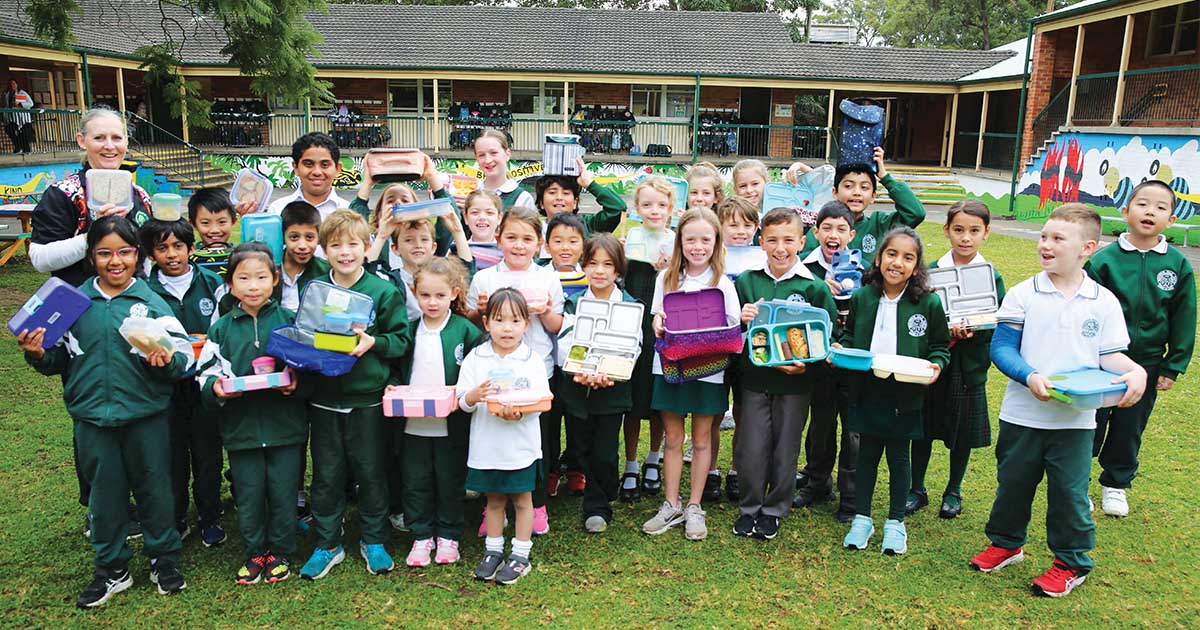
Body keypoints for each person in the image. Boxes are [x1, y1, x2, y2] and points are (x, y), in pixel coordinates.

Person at [970, 203, 1146, 598]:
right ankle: (1006, 543)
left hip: (1075, 420)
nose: (1045, 245)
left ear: (1088, 248)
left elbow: (1110, 357)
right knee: (1012, 484)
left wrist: (1136, 371)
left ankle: (1071, 561)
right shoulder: (1022, 294)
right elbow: (1002, 347)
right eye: (1044, 237)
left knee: (1068, 493)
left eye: (1057, 239)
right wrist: (1030, 375)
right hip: (1021, 413)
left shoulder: (1102, 302)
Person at [17, 216, 190, 608]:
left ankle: (164, 561)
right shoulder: (73, 304)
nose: (116, 261)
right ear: (91, 257)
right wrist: (38, 353)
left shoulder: (151, 304)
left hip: (146, 416)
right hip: (93, 417)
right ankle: (112, 568)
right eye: (105, 253)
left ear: (138, 256)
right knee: (104, 498)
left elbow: (181, 363)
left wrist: (164, 362)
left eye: (125, 253)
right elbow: (57, 360)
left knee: (156, 491)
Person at [298, 210, 411, 580]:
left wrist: (372, 343)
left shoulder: (382, 291)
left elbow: (401, 340)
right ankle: (326, 543)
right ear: (323, 250)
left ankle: (374, 539)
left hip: (368, 399)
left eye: (352, 244)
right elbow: (302, 334)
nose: (345, 252)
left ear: (366, 247)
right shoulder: (314, 290)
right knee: (327, 475)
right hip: (325, 399)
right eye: (335, 245)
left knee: (372, 471)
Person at [1084, 180, 1196, 518]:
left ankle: (1115, 484)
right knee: (1090, 421)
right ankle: (1076, 481)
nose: (1150, 212)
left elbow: (1184, 316)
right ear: (1125, 212)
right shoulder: (1104, 261)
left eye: (1161, 207)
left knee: (1130, 425)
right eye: (1143, 204)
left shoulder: (1177, 265)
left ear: (1172, 220)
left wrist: (1173, 365)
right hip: (1101, 362)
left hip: (1146, 363)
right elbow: (1084, 311)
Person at [197, 242, 306, 585]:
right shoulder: (222, 329)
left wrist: (294, 382)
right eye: (243, 278)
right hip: (241, 429)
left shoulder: (289, 321)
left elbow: (306, 366)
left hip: (285, 427)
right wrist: (215, 386)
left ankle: (281, 550)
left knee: (284, 490)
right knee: (248, 492)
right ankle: (254, 551)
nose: (253, 285)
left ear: (275, 279)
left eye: (261, 277)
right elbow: (207, 370)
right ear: (230, 283)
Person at [838, 227, 949, 556]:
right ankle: (862, 519)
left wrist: (936, 365)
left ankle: (895, 523)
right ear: (879, 257)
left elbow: (940, 347)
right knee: (867, 456)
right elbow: (849, 340)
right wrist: (840, 351)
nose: (897, 262)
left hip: (906, 392)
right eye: (891, 254)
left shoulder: (927, 303)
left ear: (916, 267)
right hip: (867, 389)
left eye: (907, 257)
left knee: (900, 459)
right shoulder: (862, 297)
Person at [732, 208, 838, 540]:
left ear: (802, 242)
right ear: (760, 241)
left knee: (785, 448)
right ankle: (750, 507)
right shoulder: (748, 280)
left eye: (789, 240)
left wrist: (809, 363)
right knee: (751, 446)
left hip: (795, 383)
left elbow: (828, 335)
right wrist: (742, 317)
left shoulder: (814, 287)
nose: (780, 248)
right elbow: (731, 332)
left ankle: (775, 509)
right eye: (773, 240)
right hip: (754, 380)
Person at [641, 209, 741, 541]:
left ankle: (695, 506)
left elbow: (733, 328)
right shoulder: (665, 278)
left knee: (701, 440)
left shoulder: (723, 283)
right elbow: (658, 318)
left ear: (716, 243)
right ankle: (670, 503)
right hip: (671, 367)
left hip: (708, 372)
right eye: (690, 239)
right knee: (673, 439)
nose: (697, 247)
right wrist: (658, 324)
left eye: (705, 240)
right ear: (679, 241)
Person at [466, 207, 564, 536]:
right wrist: (478, 311)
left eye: (527, 239)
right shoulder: (485, 278)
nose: (519, 245)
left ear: (539, 244)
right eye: (511, 237)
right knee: (494, 435)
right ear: (498, 240)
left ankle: (535, 505)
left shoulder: (547, 276)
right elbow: (475, 321)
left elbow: (556, 326)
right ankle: (493, 507)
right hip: (494, 370)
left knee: (537, 441)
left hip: (537, 369)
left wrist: (547, 310)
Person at [908, 199, 1005, 519]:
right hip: (934, 363)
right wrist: (942, 330)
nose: (966, 238)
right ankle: (916, 488)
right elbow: (918, 316)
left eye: (974, 231)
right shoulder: (930, 272)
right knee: (922, 428)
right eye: (959, 230)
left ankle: (954, 490)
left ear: (986, 233)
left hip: (969, 367)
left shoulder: (993, 276)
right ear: (947, 230)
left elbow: (997, 322)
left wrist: (974, 332)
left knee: (961, 432)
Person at [141, 217, 228, 547]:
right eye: (162, 248)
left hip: (203, 384)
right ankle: (177, 516)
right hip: (164, 388)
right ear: (152, 254)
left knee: (208, 454)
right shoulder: (147, 290)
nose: (172, 254)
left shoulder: (211, 282)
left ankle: (210, 515)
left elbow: (221, 328)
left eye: (178, 246)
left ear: (192, 248)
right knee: (171, 456)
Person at [392, 258, 483, 568]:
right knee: (415, 480)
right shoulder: (408, 330)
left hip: (450, 425)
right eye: (425, 295)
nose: (432, 302)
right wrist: (392, 387)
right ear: (415, 293)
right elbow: (394, 368)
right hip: (413, 424)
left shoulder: (465, 330)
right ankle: (420, 536)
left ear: (454, 294)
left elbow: (477, 369)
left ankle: (448, 535)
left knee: (449, 479)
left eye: (440, 296)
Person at [556, 234, 650, 532]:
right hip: (577, 388)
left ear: (619, 270)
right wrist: (578, 371)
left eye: (607, 265)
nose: (599, 271)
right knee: (581, 447)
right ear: (584, 266)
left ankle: (602, 499)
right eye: (593, 263)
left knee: (605, 452)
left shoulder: (630, 305)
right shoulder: (573, 302)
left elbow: (633, 346)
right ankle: (594, 497)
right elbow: (566, 342)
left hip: (613, 389)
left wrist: (611, 372)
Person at [459, 288, 550, 585]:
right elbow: (462, 400)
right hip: (488, 445)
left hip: (520, 446)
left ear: (526, 324)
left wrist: (521, 412)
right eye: (499, 320)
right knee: (494, 500)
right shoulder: (476, 357)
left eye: (515, 320)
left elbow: (541, 400)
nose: (507, 328)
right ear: (486, 324)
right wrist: (473, 395)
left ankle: (521, 555)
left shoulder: (532, 360)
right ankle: (493, 551)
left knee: (523, 500)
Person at [30, 106, 153, 287]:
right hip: (80, 305)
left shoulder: (140, 195)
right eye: (99, 138)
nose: (110, 146)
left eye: (117, 138)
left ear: (126, 142)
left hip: (134, 305)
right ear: (81, 140)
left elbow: (146, 258)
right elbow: (40, 260)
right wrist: (94, 235)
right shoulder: (63, 194)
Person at [796, 201, 861, 521]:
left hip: (851, 362)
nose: (833, 235)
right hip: (819, 360)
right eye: (827, 228)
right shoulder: (806, 269)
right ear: (816, 231)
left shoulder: (864, 269)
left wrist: (845, 345)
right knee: (820, 424)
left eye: (841, 229)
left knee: (853, 430)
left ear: (852, 233)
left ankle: (850, 497)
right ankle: (817, 482)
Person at [618, 178, 673, 502]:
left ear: (671, 209)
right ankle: (631, 463)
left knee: (656, 403)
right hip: (632, 324)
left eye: (661, 205)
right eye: (648, 204)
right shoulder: (630, 238)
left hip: (662, 328)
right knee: (632, 402)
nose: (655, 211)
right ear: (637, 208)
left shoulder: (675, 240)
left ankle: (654, 458)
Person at [707, 196, 763, 503]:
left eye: (747, 224)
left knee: (743, 410)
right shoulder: (713, 257)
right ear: (720, 227)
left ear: (756, 228)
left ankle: (737, 470)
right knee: (715, 411)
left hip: (749, 348)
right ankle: (712, 470)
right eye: (732, 224)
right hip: (717, 347)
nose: (740, 231)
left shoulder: (762, 257)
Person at [790, 148, 925, 259]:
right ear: (835, 192)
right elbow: (804, 264)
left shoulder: (879, 224)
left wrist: (884, 177)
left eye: (864, 187)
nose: (856, 192)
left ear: (873, 196)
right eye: (848, 186)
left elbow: (915, 213)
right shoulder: (822, 229)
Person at [534, 157, 625, 239]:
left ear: (575, 202)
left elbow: (617, 208)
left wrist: (588, 184)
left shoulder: (587, 225)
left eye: (566, 193)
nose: (559, 197)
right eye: (552, 192)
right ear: (541, 203)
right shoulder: (534, 231)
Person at [266, 132, 350, 221]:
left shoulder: (349, 213)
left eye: (325, 165)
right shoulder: (277, 211)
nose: (317, 172)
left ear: (337, 169)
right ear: (296, 167)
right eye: (308, 164)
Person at [276, 201, 328, 312]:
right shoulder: (269, 269)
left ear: (318, 238)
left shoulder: (326, 272)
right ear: (282, 237)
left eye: (309, 237)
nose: (302, 246)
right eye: (294, 237)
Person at [469, 129, 534, 210]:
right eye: (481, 155)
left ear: (507, 154)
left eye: (493, 153)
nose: (488, 160)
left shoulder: (522, 199)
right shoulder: (470, 194)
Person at [188, 188, 239, 278]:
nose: (214, 230)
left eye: (222, 222)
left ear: (233, 222)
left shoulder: (241, 256)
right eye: (205, 223)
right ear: (193, 224)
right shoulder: (188, 258)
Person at [3, 78, 34, 153]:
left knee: (23, 134)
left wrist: (21, 105)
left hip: (22, 118)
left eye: (13, 84)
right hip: (11, 117)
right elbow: (5, 105)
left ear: (17, 85)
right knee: (9, 130)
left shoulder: (22, 93)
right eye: (10, 84)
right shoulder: (6, 94)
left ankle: (26, 149)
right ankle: (18, 146)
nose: (12, 86)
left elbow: (31, 103)